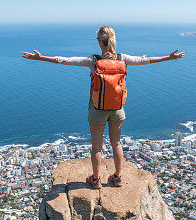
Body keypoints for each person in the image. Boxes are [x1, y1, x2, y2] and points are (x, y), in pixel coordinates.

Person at [22, 26, 184, 189]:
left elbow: (64, 60)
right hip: (117, 109)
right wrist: (169, 58)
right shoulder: (122, 59)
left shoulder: (93, 61)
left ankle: (96, 179)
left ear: (99, 41)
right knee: (117, 144)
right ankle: (118, 177)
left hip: (97, 109)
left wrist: (41, 58)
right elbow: (146, 61)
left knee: (96, 147)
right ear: (113, 40)